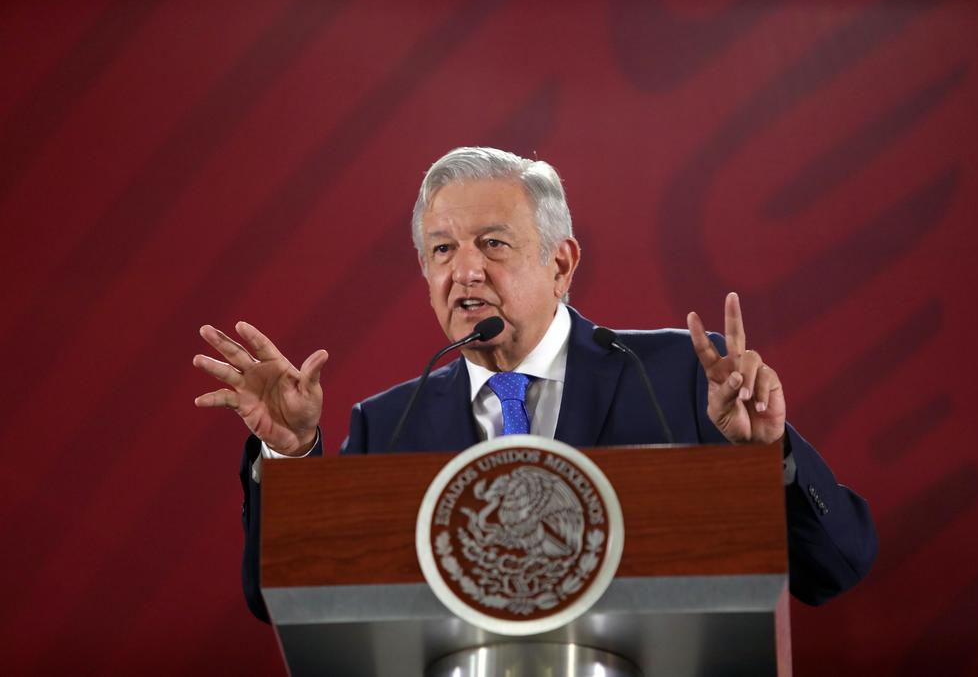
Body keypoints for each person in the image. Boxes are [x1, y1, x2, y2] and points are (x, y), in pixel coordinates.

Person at [194, 147, 877, 623]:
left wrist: (767, 456)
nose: (465, 271)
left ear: (561, 263)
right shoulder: (389, 425)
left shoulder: (678, 377)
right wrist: (291, 456)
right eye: (442, 249)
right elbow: (284, 600)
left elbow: (837, 566)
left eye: (493, 243)